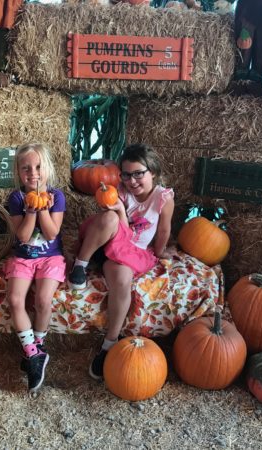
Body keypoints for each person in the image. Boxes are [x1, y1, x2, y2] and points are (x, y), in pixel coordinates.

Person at [67, 143, 175, 380]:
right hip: (106, 242)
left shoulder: (163, 198)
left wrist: (160, 251)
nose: (132, 180)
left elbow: (163, 230)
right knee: (109, 218)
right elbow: (116, 227)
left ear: (153, 172)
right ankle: (80, 265)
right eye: (126, 175)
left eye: (138, 174)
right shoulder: (120, 192)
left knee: (123, 280)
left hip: (130, 252)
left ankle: (109, 343)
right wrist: (118, 210)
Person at [3, 143, 66, 392]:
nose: (33, 173)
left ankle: (38, 346)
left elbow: (51, 234)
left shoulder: (57, 196)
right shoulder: (16, 198)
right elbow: (23, 237)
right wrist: (31, 211)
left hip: (51, 258)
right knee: (14, 299)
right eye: (26, 168)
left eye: (39, 167)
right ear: (18, 172)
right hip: (23, 258)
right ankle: (32, 353)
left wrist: (44, 209)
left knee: (43, 300)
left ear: (48, 168)